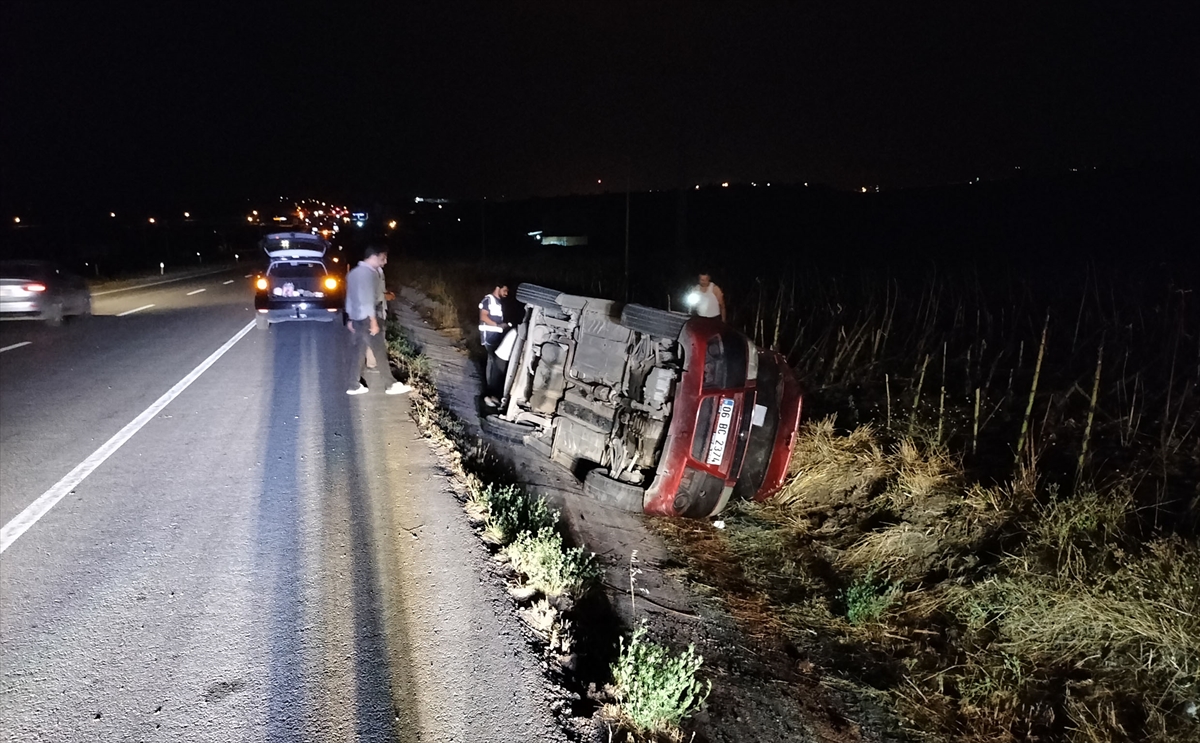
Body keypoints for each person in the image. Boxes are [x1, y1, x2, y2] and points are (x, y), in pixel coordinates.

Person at [345, 245, 411, 396]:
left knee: (358, 352)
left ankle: (353, 385)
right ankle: (391, 385)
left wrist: (350, 318)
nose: (385, 261)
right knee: (379, 351)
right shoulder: (369, 274)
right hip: (369, 317)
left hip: (357, 318)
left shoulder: (354, 273)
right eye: (382, 258)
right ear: (373, 257)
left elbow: (349, 297)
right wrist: (373, 321)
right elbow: (368, 300)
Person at [478, 282, 510, 407]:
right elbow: (484, 317)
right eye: (505, 290)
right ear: (498, 287)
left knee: (494, 363)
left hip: (495, 336)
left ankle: (491, 392)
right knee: (493, 363)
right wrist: (498, 325)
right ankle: (489, 393)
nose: (506, 294)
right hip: (489, 337)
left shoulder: (497, 301)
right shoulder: (488, 300)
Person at [364, 251, 394, 371]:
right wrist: (385, 296)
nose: (386, 261)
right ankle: (372, 364)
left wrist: (386, 294)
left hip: (380, 308)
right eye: (383, 258)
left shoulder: (379, 271)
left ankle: (374, 362)